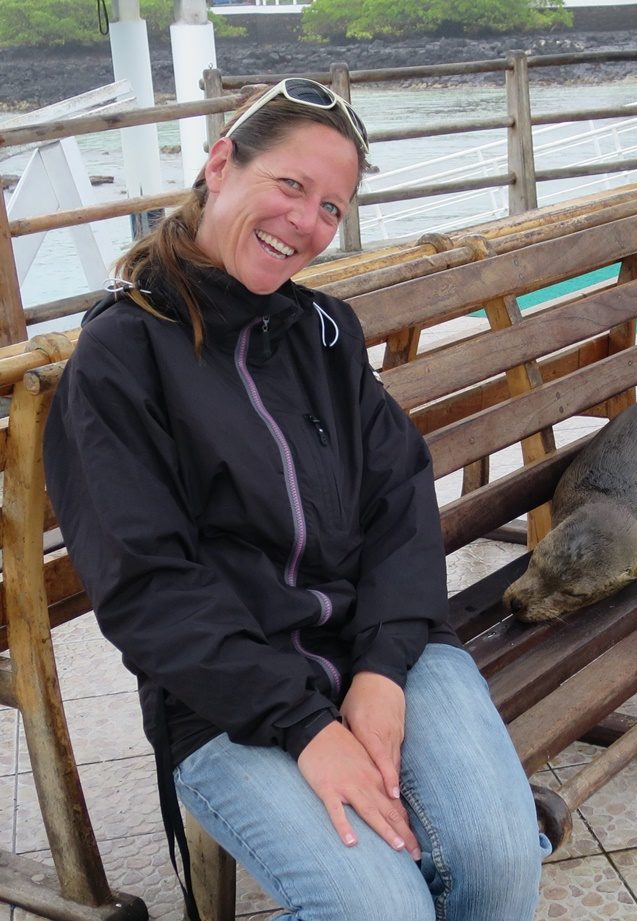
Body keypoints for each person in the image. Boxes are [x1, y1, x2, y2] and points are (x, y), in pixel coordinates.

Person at [44, 78, 549, 921]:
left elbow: (399, 496)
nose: (305, 223)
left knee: (496, 864)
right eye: (290, 185)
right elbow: (148, 587)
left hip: (381, 644)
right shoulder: (121, 358)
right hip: (228, 698)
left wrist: (384, 671)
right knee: (381, 910)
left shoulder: (323, 330)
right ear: (219, 164)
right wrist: (309, 730)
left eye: (330, 207)